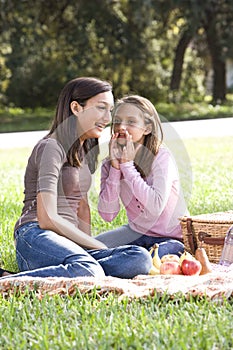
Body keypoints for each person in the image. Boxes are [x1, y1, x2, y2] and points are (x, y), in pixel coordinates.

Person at [0, 78, 152, 279]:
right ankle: (8, 280)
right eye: (100, 108)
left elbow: (82, 207)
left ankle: (71, 270)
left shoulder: (83, 150)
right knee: (89, 269)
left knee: (139, 258)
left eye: (110, 110)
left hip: (67, 243)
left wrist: (88, 247)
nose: (107, 118)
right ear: (76, 108)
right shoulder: (51, 147)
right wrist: (97, 246)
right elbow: (47, 218)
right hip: (36, 235)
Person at [96, 95, 188, 257]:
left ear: (147, 128)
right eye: (117, 121)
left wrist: (127, 167)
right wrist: (116, 170)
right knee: (89, 247)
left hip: (172, 238)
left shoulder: (161, 158)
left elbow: (155, 207)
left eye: (131, 122)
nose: (121, 127)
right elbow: (108, 215)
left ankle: (122, 260)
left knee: (144, 258)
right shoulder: (108, 165)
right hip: (136, 232)